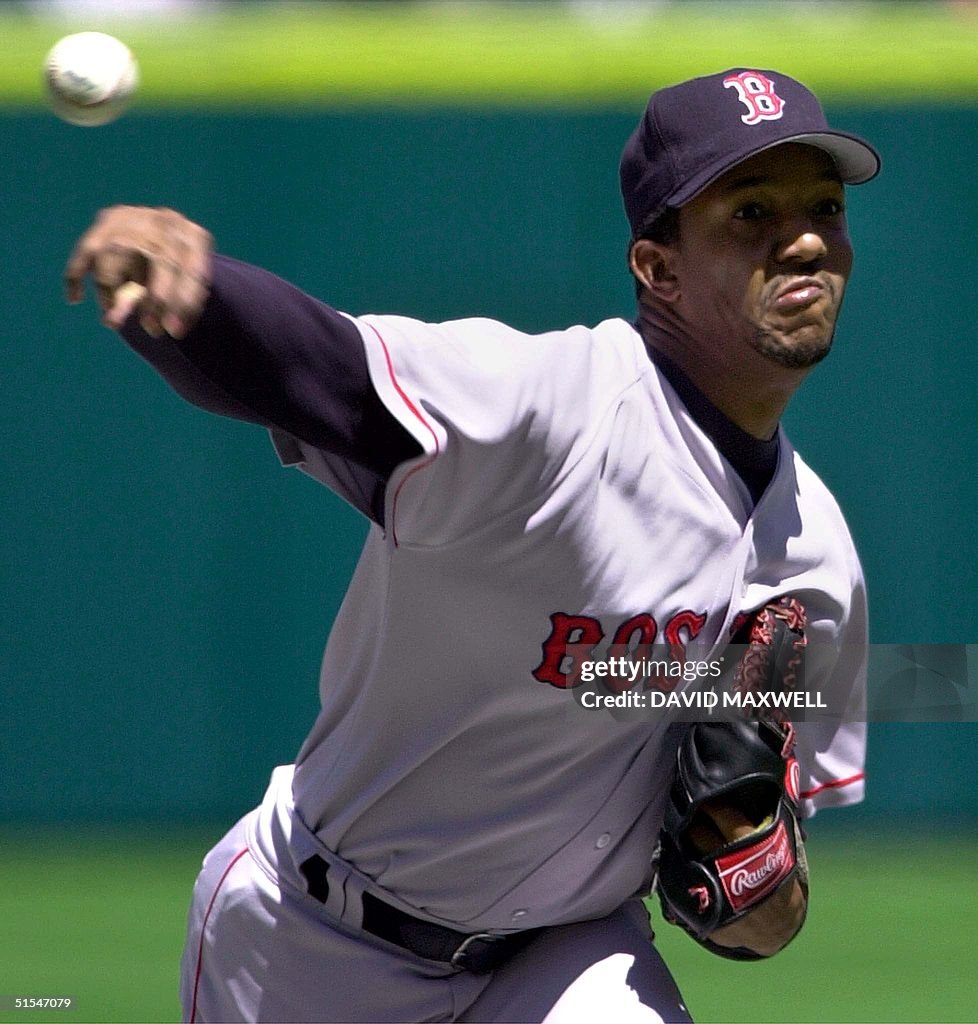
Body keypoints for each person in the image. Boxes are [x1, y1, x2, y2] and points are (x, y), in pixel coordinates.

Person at [65, 68, 878, 1023]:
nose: (809, 239)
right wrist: (192, 297)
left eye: (823, 207)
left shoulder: (814, 557)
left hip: (570, 958)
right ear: (657, 269)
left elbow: (764, 921)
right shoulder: (555, 410)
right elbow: (321, 374)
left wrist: (745, 861)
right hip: (315, 936)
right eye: (752, 214)